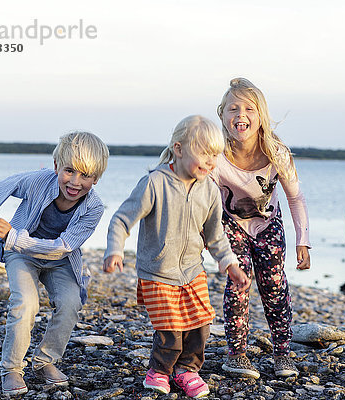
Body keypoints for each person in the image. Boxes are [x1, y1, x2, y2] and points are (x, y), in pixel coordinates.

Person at [103, 115, 250, 398]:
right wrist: (115, 250)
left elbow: (215, 234)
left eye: (215, 155)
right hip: (158, 272)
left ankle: (186, 370)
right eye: (204, 153)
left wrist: (229, 262)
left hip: (192, 270)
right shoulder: (154, 183)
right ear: (179, 149)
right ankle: (159, 371)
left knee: (200, 325)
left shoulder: (208, 189)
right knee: (170, 330)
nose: (210, 162)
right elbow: (121, 219)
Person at [0, 132, 109, 396]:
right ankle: (11, 368)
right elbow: (7, 185)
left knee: (71, 303)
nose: (75, 182)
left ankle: (45, 360)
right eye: (69, 171)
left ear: (96, 178)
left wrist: (13, 236)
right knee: (26, 302)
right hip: (20, 254)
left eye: (86, 176)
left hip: (58, 259)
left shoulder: (94, 208)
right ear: (57, 166)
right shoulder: (38, 181)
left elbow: (63, 247)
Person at [212, 78, 311, 379]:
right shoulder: (216, 154)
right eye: (233, 108)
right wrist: (207, 238)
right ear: (223, 115)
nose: (240, 114)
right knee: (239, 284)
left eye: (248, 109)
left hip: (268, 225)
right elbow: (206, 201)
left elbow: (295, 197)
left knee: (274, 287)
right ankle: (237, 354)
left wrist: (302, 241)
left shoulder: (276, 152)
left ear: (260, 116)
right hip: (230, 225)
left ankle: (282, 351)